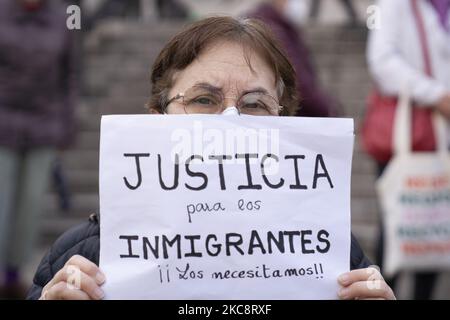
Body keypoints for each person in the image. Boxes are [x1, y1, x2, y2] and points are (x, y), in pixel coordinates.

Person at [27, 16, 395, 300]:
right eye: (203, 100)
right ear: (159, 120)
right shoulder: (84, 257)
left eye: (255, 104)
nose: (229, 121)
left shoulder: (334, 257)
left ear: (284, 126)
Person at [366, 0, 450, 299]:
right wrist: (436, 95)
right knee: (396, 226)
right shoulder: (395, 5)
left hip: (437, 137)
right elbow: (382, 61)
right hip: (409, 135)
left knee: (434, 227)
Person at [0, 0, 78, 299]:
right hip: (3, 120)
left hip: (44, 123)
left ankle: (11, 273)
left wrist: (67, 125)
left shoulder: (64, 20)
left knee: (30, 204)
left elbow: (70, 75)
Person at [248, 0, 339, 117]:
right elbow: (299, 81)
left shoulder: (280, 26)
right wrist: (327, 108)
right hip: (296, 115)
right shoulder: (274, 30)